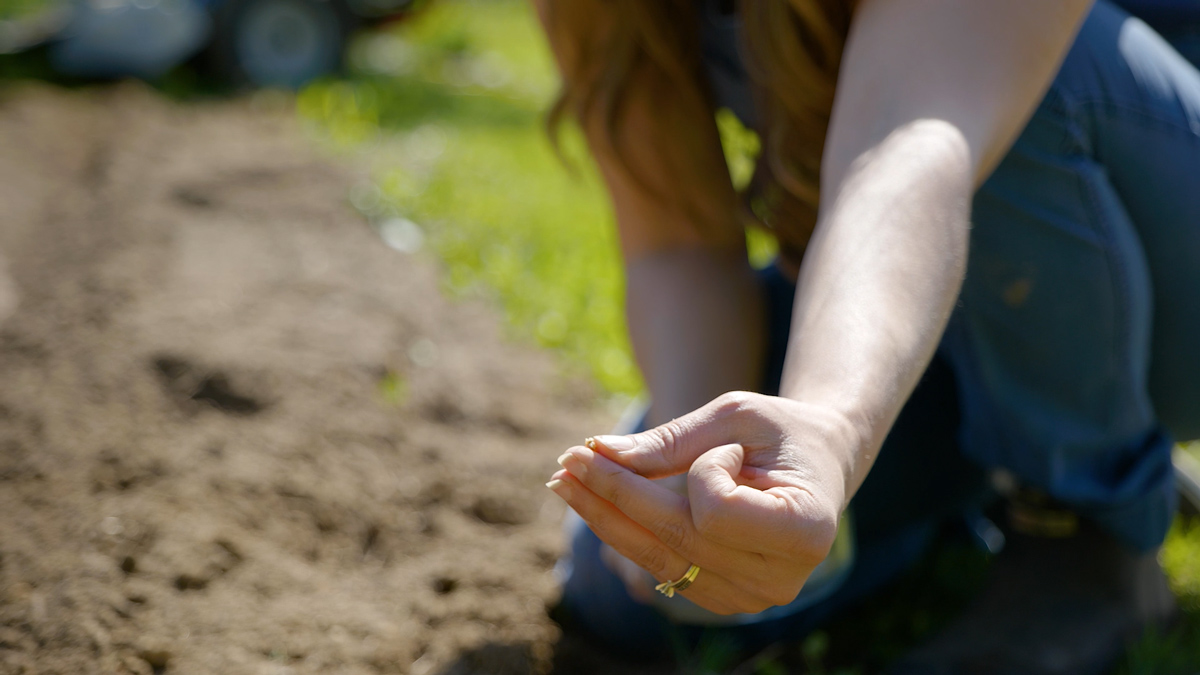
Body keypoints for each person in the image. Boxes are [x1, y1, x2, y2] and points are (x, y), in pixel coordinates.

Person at [535, 0, 1200, 672]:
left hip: (1170, 253)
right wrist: (689, 474)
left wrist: (831, 425)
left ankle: (1088, 533)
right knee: (631, 584)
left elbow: (911, 141)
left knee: (1014, 84)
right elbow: (681, 245)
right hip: (939, 291)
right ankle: (1003, 471)